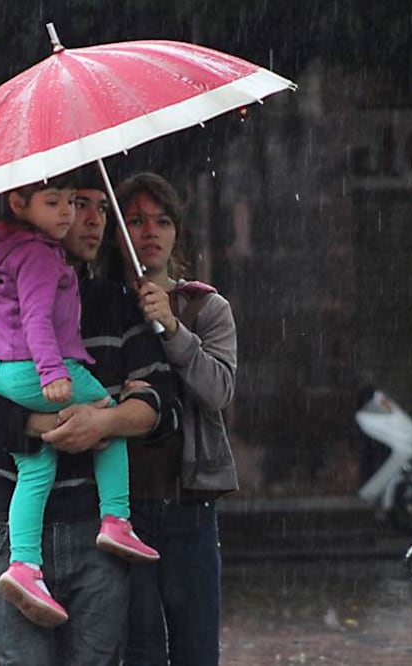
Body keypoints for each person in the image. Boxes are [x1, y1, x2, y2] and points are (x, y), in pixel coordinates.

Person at [0, 170, 178, 665]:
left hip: (96, 526)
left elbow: (162, 406)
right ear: (33, 213)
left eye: (98, 207)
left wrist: (105, 424)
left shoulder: (114, 306)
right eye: (73, 204)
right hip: (12, 526)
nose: (89, 220)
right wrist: (43, 426)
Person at [107, 172, 240, 666]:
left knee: (196, 648)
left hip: (189, 504)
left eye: (162, 221)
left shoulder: (206, 307)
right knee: (138, 648)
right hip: (124, 508)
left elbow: (218, 390)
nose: (150, 232)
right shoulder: (101, 309)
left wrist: (172, 328)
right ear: (117, 232)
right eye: (136, 220)